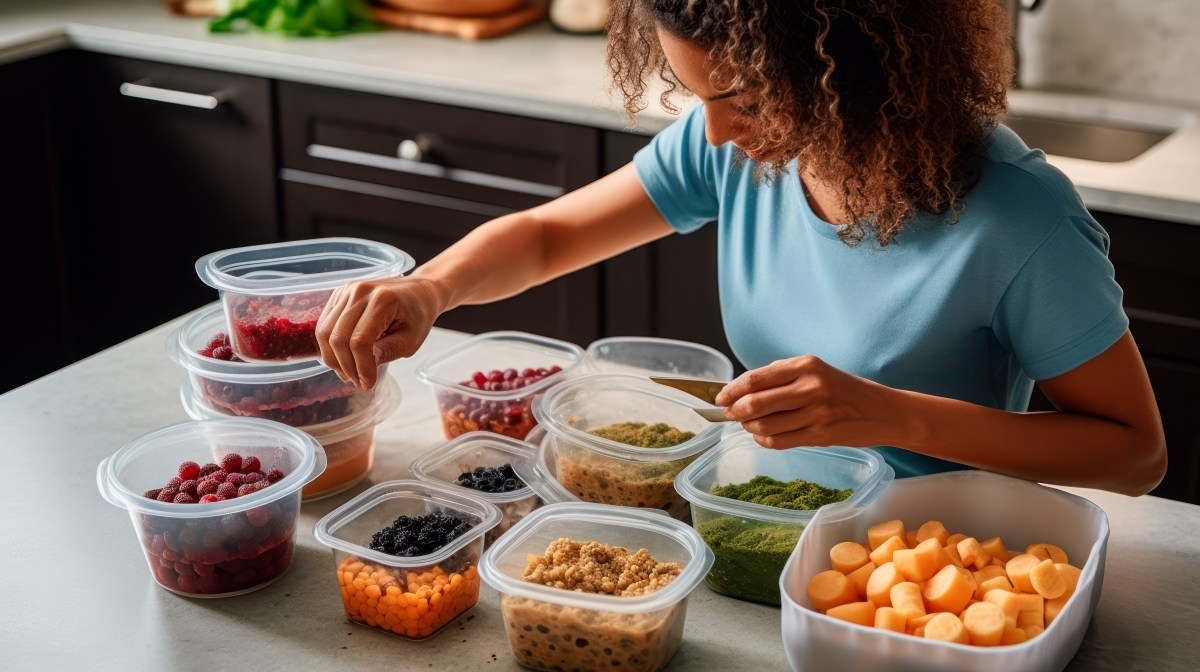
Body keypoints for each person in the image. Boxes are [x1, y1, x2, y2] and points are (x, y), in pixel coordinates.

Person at [316, 0, 1166, 497]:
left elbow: (1135, 453)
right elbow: (548, 236)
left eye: (747, 96)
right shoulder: (734, 144)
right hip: (766, 512)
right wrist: (431, 287)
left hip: (931, 557)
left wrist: (884, 412)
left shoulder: (1020, 219)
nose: (718, 131)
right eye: (699, 97)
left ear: (852, 61)